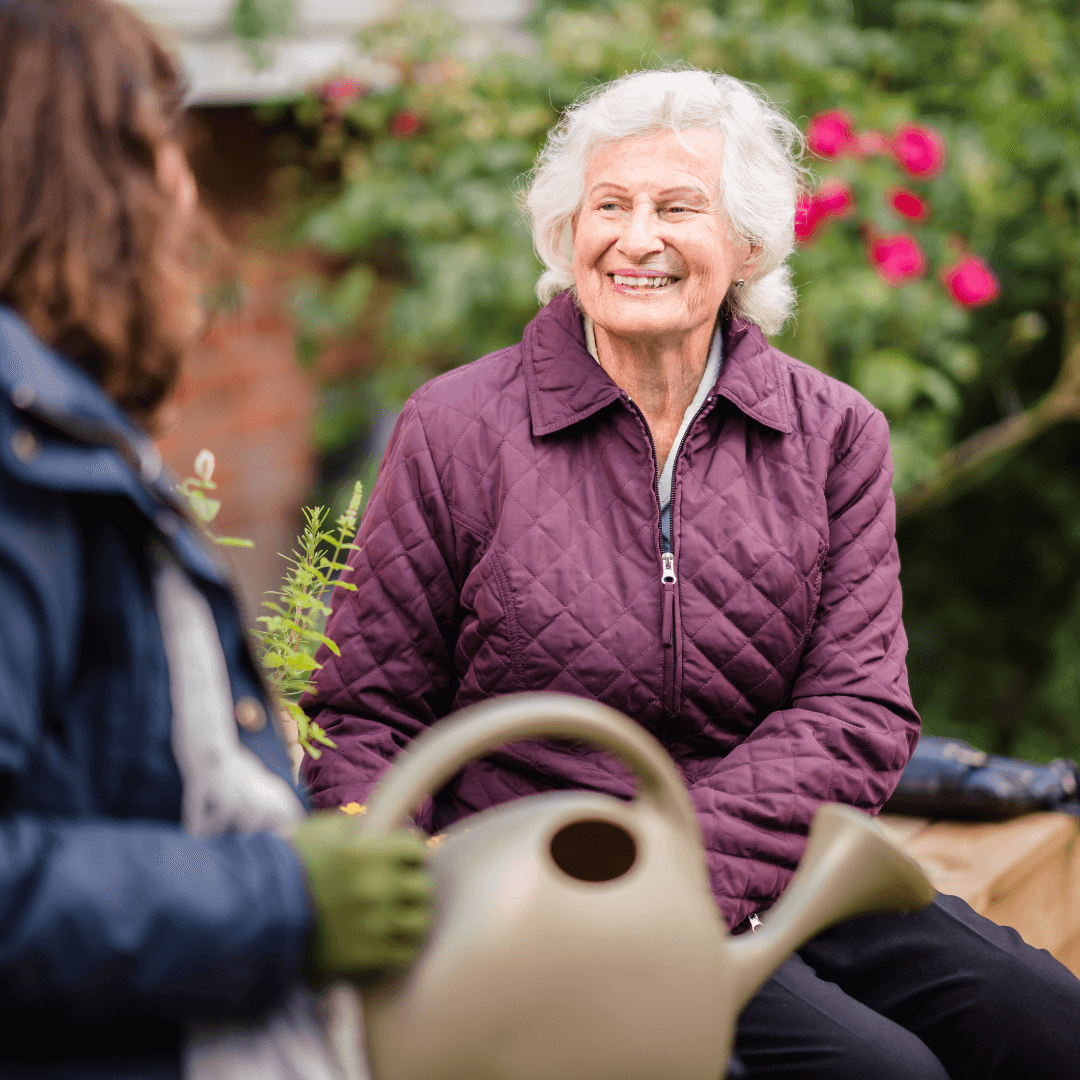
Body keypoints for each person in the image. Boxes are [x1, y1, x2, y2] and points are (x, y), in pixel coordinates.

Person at [303, 67, 1080, 1078]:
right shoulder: (458, 428)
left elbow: (858, 709)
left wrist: (683, 863)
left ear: (748, 243)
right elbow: (363, 711)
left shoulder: (833, 433)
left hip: (770, 856)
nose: (636, 239)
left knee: (1045, 1020)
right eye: (608, 206)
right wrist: (408, 887)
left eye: (677, 207)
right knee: (879, 1072)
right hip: (544, 888)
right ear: (565, 233)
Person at [0, 2, 430, 1077]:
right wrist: (280, 898)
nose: (185, 194)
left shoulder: (59, 430)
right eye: (162, 142)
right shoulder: (19, 457)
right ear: (81, 170)